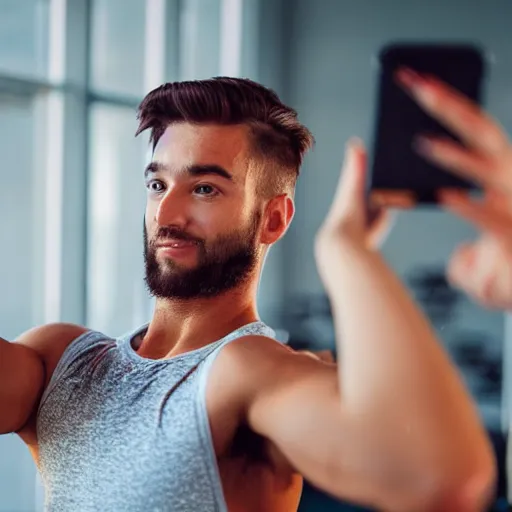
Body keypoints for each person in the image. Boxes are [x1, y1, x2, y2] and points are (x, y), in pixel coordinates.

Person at [0, 73, 500, 512]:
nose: (167, 215)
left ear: (273, 218)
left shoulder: (251, 373)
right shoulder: (61, 360)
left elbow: (436, 481)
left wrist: (346, 250)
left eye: (204, 189)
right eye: (157, 185)